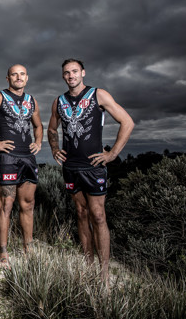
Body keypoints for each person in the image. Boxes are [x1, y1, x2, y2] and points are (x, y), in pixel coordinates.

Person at [47, 58, 134, 283]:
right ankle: (88, 266)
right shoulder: (58, 101)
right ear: (63, 76)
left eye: (75, 71)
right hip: (71, 167)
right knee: (81, 213)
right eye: (66, 72)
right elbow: (51, 128)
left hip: (93, 167)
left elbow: (127, 122)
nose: (71, 76)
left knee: (98, 215)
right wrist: (55, 148)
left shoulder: (98, 95)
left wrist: (112, 154)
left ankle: (103, 273)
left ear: (83, 73)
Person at [0, 64, 42, 267]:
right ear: (8, 78)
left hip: (28, 158)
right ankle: (3, 252)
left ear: (26, 78)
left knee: (28, 205)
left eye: (22, 74)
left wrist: (38, 142)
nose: (18, 77)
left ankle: (28, 249)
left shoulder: (32, 101)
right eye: (14, 74)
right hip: (8, 158)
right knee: (6, 206)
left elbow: (38, 126)